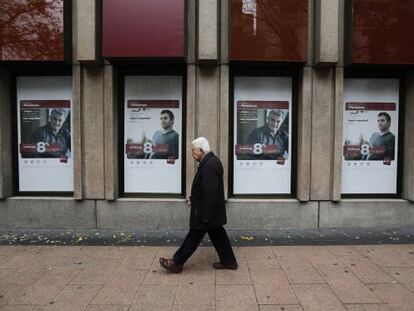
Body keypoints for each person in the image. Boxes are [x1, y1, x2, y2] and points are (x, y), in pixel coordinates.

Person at [159, 137, 238, 273]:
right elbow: (204, 188)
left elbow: (210, 192)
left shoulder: (209, 165)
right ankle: (229, 261)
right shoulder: (209, 162)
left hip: (205, 212)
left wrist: (205, 216)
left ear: (201, 150)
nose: (192, 153)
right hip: (209, 211)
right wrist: (193, 198)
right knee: (218, 235)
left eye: (193, 150)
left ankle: (176, 263)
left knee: (193, 236)